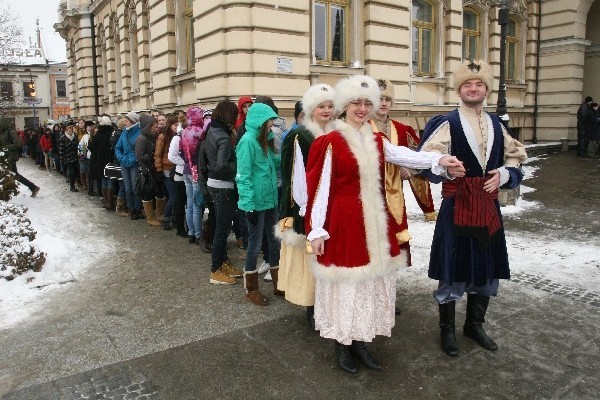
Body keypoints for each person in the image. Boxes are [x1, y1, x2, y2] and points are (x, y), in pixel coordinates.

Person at [305, 75, 464, 373]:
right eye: (356, 102)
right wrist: (316, 230)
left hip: (375, 223)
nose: (362, 108)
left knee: (368, 283)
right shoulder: (329, 142)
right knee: (347, 283)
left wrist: (438, 160)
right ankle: (343, 345)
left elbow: (404, 155)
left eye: (368, 103)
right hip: (343, 223)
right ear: (344, 106)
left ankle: (361, 343)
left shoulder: (376, 139)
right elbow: (319, 188)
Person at [418, 60, 527, 358]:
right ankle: (447, 330)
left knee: (486, 265)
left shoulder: (497, 125)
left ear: (486, 90)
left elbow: (516, 158)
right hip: (457, 206)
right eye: (468, 84)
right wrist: (444, 168)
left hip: (488, 207)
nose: (473, 88)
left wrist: (504, 176)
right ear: (459, 90)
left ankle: (474, 325)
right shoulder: (446, 122)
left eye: (479, 84)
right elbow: (424, 161)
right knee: (453, 265)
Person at [277, 84, 335, 328]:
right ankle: (312, 307)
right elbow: (296, 176)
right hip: (308, 205)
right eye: (321, 106)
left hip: (332, 204)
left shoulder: (336, 132)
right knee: (311, 257)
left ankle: (329, 303)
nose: (326, 110)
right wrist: (303, 210)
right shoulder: (301, 134)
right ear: (311, 108)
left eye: (330, 106)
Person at [236, 103, 284, 305]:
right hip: (255, 203)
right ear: (260, 122)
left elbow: (272, 165)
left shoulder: (265, 140)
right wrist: (249, 206)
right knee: (254, 245)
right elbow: (243, 176)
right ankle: (252, 288)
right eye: (269, 122)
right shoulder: (247, 142)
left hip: (270, 199)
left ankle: (278, 282)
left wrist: (287, 155)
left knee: (274, 242)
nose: (272, 125)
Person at [199, 100, 244, 284]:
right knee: (222, 230)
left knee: (220, 227)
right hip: (223, 186)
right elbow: (222, 165)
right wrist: (239, 163)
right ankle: (216, 270)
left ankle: (223, 262)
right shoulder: (224, 137)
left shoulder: (212, 130)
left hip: (214, 184)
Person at [0, 117, 39, 197]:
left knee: (14, 175)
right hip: (3, 157)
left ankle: (33, 187)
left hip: (10, 157)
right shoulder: (1, 133)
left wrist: (5, 148)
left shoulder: (10, 132)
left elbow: (18, 143)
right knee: (9, 175)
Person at [115, 112, 144, 220]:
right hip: (124, 163)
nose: (124, 122)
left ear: (133, 121)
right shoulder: (124, 132)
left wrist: (136, 159)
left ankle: (137, 209)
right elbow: (117, 147)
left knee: (135, 187)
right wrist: (121, 158)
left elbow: (141, 148)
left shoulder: (139, 132)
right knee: (127, 188)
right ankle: (131, 209)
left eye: (126, 121)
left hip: (134, 164)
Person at [135, 115, 163, 226]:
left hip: (155, 168)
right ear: (148, 127)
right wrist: (153, 154)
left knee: (160, 192)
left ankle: (160, 214)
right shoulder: (141, 139)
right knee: (147, 193)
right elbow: (140, 157)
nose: (157, 129)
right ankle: (150, 217)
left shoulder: (155, 136)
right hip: (147, 170)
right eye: (155, 127)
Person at [155, 114, 178, 229]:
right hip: (167, 169)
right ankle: (166, 218)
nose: (177, 127)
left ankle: (174, 217)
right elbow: (157, 154)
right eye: (175, 125)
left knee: (175, 196)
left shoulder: (179, 135)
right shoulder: (163, 136)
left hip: (178, 168)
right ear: (170, 125)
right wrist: (159, 169)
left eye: (178, 125)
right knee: (173, 196)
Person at [89, 115, 117, 211]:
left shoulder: (98, 135)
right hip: (110, 160)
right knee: (110, 181)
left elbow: (91, 147)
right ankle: (110, 202)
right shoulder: (111, 134)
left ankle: (106, 201)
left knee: (104, 181)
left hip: (99, 161)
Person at [59, 123, 81, 192]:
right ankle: (72, 186)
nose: (70, 132)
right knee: (72, 172)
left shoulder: (75, 137)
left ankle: (75, 182)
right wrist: (62, 158)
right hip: (67, 158)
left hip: (75, 157)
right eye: (68, 131)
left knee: (76, 171)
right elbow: (61, 149)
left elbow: (78, 146)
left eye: (71, 131)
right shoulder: (63, 138)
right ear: (66, 131)